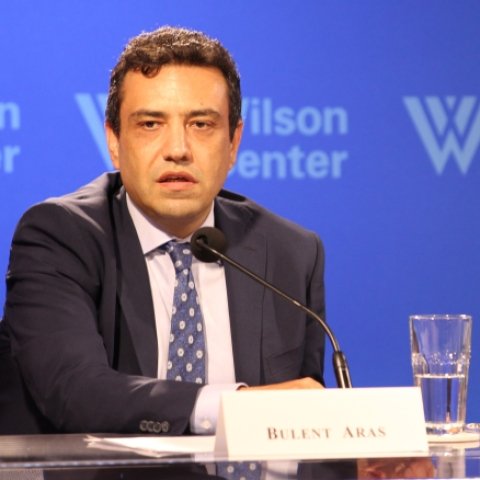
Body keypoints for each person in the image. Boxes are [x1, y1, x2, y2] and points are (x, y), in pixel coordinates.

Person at [0, 26, 326, 435]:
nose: (177, 149)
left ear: (233, 143)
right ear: (114, 141)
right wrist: (234, 406)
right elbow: (76, 390)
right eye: (151, 124)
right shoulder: (60, 237)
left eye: (201, 124)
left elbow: (304, 418)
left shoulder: (290, 252)